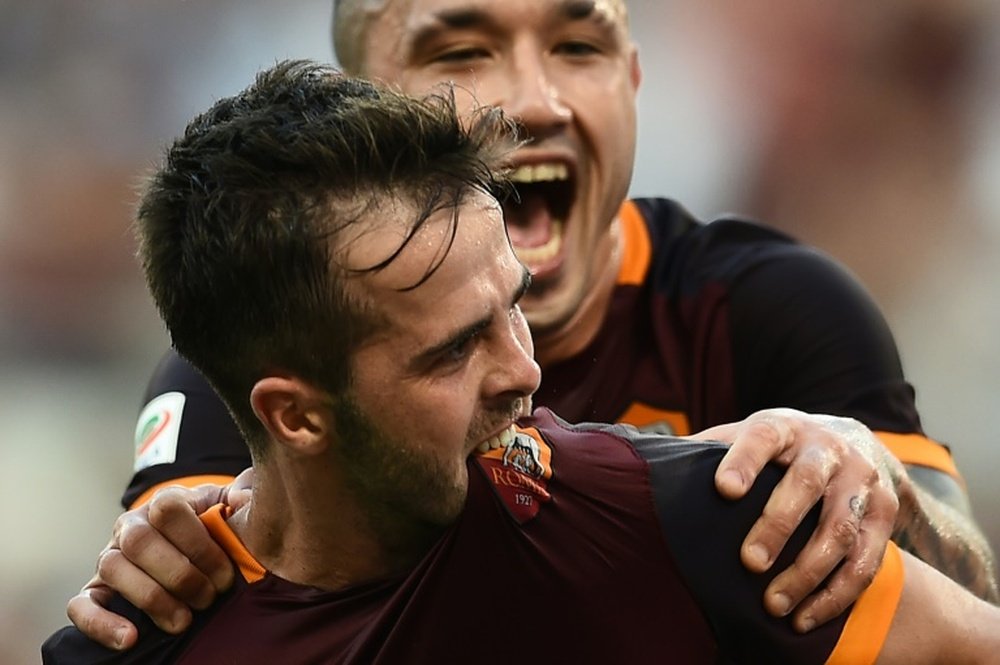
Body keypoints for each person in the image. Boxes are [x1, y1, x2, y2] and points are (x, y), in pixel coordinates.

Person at [68, 0, 998, 650]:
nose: (534, 100)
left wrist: (880, 486)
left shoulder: (763, 312)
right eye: (460, 53)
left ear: (637, 80)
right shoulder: (242, 377)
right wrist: (152, 559)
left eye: (579, 48)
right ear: (359, 106)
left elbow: (969, 609)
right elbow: (180, 593)